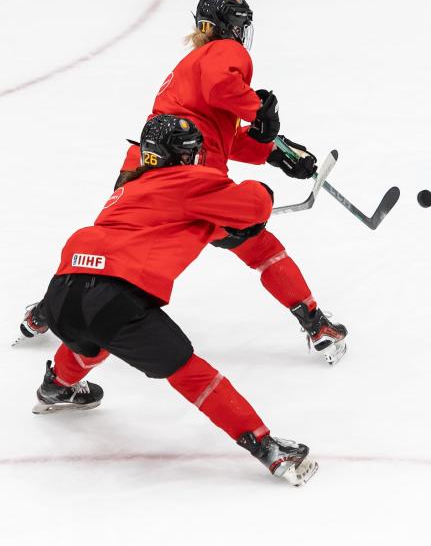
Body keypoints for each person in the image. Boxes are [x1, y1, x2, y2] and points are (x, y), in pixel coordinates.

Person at [32, 114, 317, 486]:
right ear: (183, 156)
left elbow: (173, 222)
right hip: (113, 296)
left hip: (62, 291)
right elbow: (255, 202)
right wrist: (255, 202)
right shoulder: (191, 180)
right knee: (191, 373)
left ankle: (56, 386)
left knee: (95, 336)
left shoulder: (127, 188)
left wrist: (222, 223)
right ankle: (268, 448)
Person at [116, 0, 346, 362]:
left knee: (108, 255)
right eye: (241, 24)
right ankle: (317, 325)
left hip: (142, 171)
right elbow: (223, 88)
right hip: (192, 181)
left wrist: (274, 153)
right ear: (230, 26)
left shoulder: (188, 67)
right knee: (261, 247)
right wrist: (259, 112)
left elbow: (218, 136)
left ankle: (45, 315)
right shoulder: (224, 51)